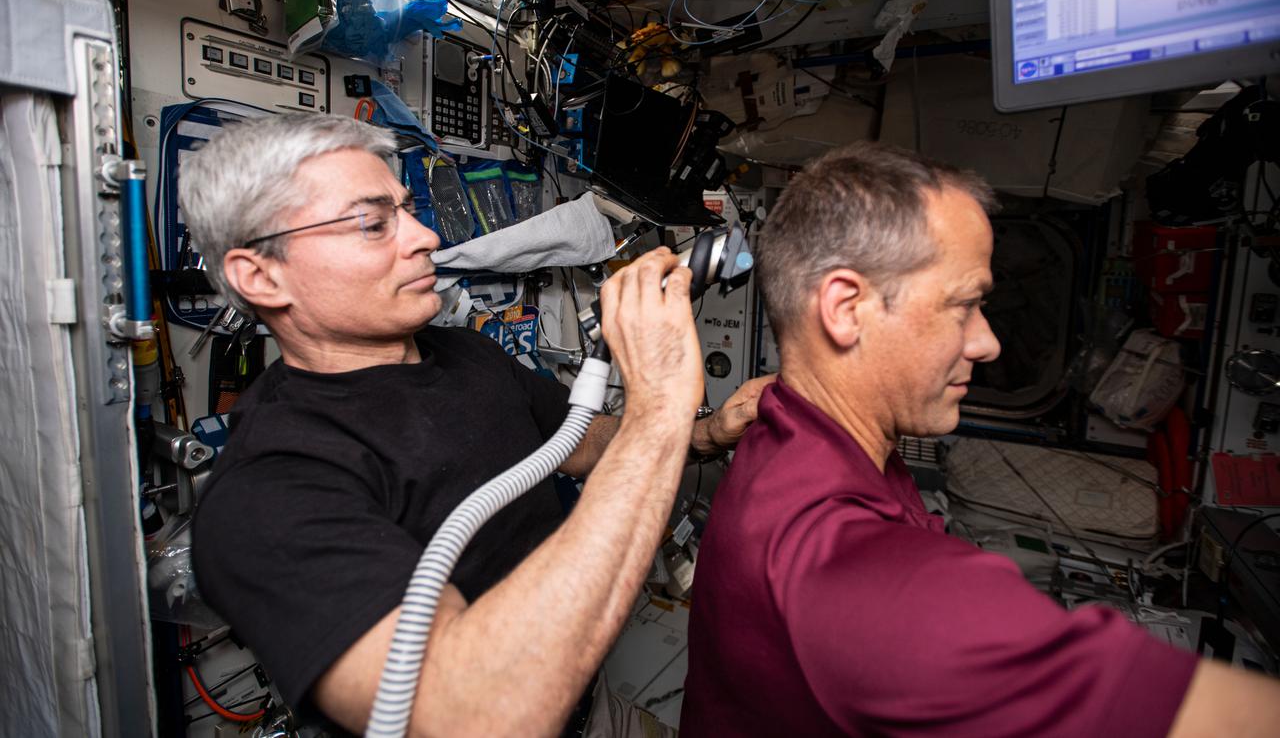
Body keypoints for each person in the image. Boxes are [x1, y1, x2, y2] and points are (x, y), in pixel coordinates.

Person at [182, 113, 771, 736]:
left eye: (408, 210)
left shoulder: (465, 354)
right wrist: (659, 406)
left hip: (590, 707)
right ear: (262, 276)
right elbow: (467, 712)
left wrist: (703, 434)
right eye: (375, 222)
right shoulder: (268, 489)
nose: (425, 237)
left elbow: (573, 443)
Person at [680, 141, 1280, 737]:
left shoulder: (782, 413)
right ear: (846, 309)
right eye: (964, 304)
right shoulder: (852, 578)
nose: (988, 343)